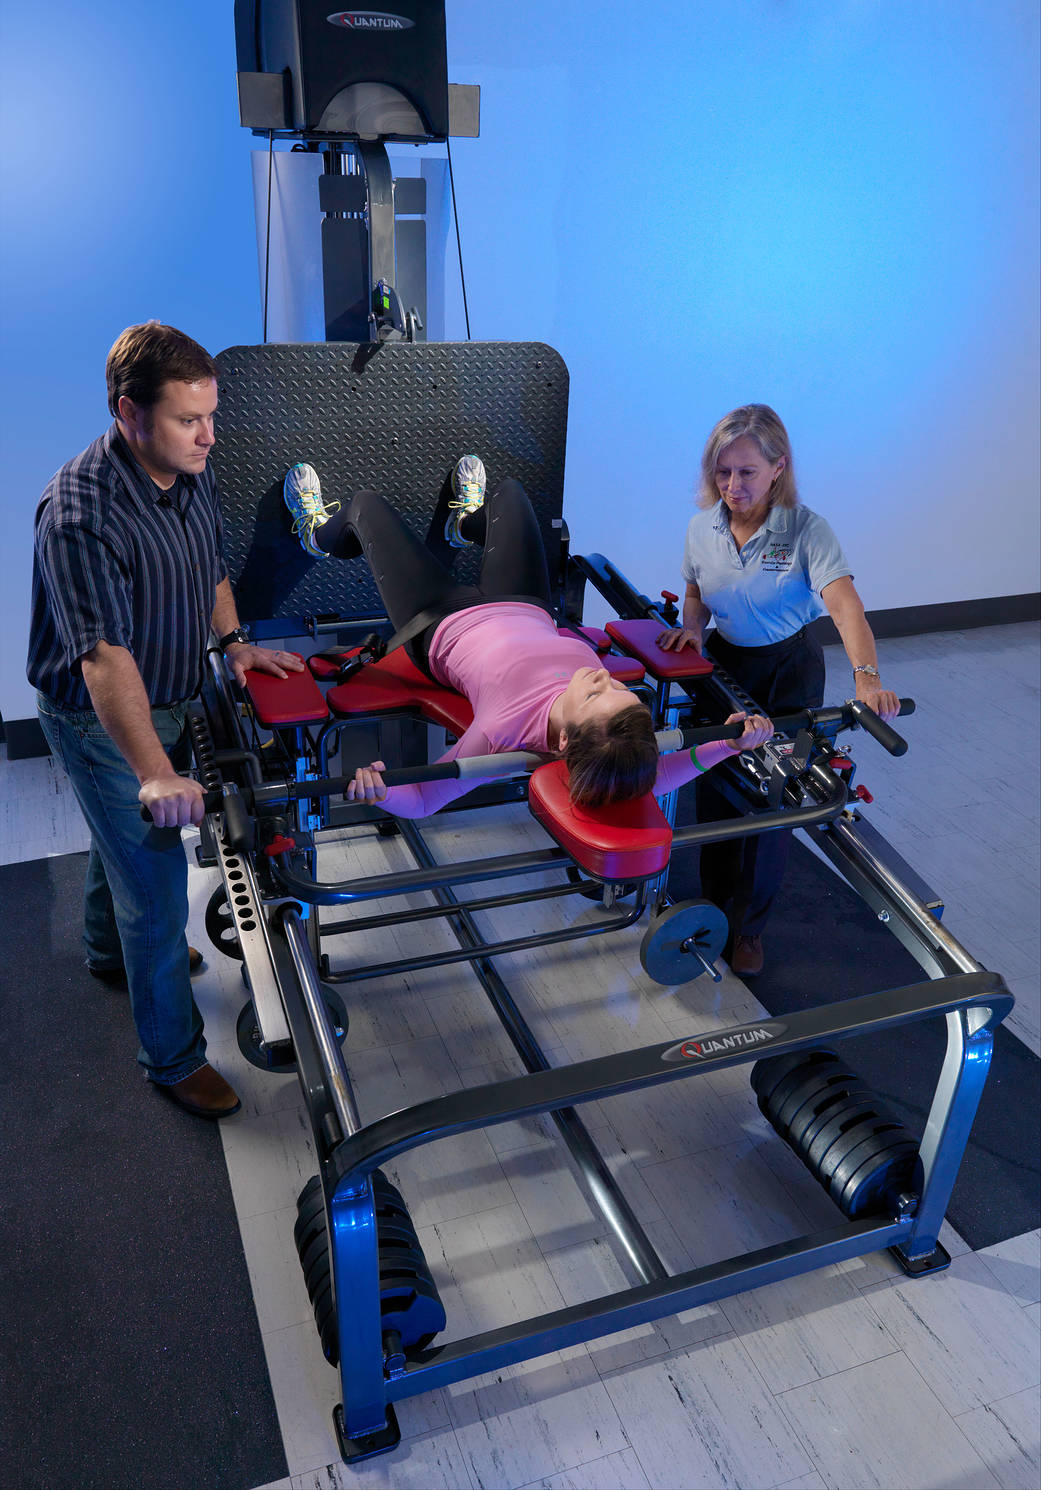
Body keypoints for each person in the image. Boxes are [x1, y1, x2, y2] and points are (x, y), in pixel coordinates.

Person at [28, 322, 304, 1119]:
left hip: (177, 693)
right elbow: (103, 658)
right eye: (189, 419)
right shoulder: (79, 512)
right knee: (156, 890)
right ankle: (174, 1061)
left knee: (121, 846)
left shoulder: (188, 469)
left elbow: (209, 562)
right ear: (128, 412)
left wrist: (235, 643)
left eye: (210, 416)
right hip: (99, 721)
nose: (208, 436)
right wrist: (154, 771)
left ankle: (103, 953)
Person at [283, 457, 773, 817]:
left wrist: (381, 790)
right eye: (622, 690)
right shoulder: (619, 741)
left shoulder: (502, 733)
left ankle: (317, 534)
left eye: (597, 692)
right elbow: (660, 774)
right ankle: (464, 522)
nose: (604, 680)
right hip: (526, 604)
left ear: (562, 739)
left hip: (439, 622)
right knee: (511, 493)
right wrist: (729, 745)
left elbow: (426, 800)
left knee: (365, 507)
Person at [658, 403, 900, 978]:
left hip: (788, 672)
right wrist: (692, 628)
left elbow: (844, 605)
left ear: (777, 467)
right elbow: (694, 588)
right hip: (722, 669)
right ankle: (713, 907)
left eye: (745, 472)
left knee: (772, 803)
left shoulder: (806, 530)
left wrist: (868, 679)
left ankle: (750, 929)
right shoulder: (702, 527)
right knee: (717, 793)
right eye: (722, 472)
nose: (733, 486)